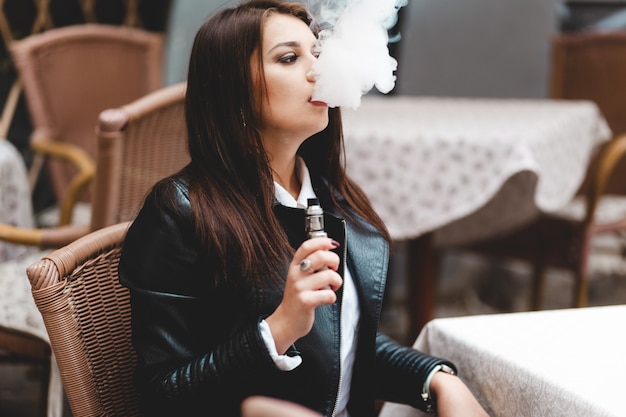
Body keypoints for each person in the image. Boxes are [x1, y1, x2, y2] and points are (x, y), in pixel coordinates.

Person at [118, 1, 490, 416]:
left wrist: (435, 379)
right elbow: (163, 394)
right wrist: (278, 330)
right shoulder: (180, 213)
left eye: (318, 54)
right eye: (289, 58)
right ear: (232, 88)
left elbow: (346, 343)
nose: (318, 71)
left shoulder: (330, 197)